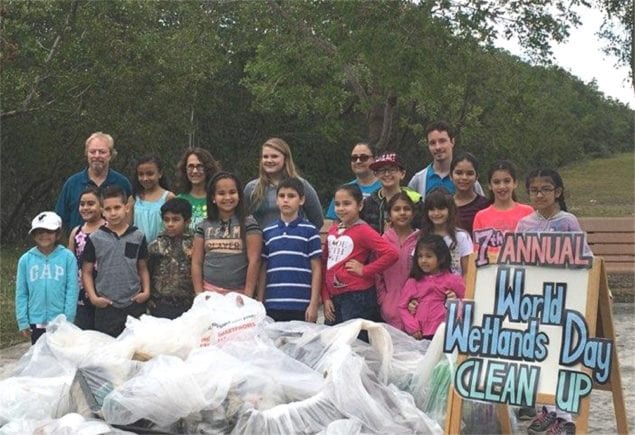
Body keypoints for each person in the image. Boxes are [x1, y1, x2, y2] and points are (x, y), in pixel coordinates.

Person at [515, 168, 585, 434]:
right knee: (538, 353)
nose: (540, 194)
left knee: (561, 355)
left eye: (545, 189)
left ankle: (564, 415)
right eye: (534, 190)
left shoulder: (568, 221)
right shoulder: (524, 224)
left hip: (563, 297)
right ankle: (546, 409)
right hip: (534, 301)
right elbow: (517, 259)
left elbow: (583, 257)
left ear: (558, 192)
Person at [322, 184, 399, 339]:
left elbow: (391, 253)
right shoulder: (333, 230)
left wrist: (365, 270)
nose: (341, 208)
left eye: (347, 203)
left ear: (360, 205)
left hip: (356, 296)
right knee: (330, 341)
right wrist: (325, 297)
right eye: (337, 204)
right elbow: (326, 263)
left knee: (355, 343)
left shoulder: (364, 230)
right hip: (334, 297)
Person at [81, 186, 150, 337]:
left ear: (126, 208)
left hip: (134, 303)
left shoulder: (138, 236)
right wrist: (93, 297)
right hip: (107, 305)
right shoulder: (95, 238)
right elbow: (86, 271)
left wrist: (146, 292)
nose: (113, 213)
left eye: (117, 207)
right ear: (102, 211)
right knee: (108, 351)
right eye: (108, 209)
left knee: (136, 349)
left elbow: (142, 267)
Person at [258, 177, 322, 322]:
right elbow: (263, 268)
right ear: (276, 200)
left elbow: (316, 268)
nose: (286, 200)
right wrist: (260, 302)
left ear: (301, 200)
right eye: (282, 196)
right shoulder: (268, 232)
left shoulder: (310, 231)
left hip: (301, 305)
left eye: (291, 196)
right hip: (273, 303)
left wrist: (313, 304)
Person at [192, 172, 262, 297]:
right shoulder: (203, 225)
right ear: (213, 197)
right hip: (209, 292)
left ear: (239, 195)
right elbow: (196, 262)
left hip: (239, 293)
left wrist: (248, 295)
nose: (228, 197)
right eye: (221, 193)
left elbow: (255, 260)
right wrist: (199, 295)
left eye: (232, 192)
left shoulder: (249, 223)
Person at [15, 212, 79, 344]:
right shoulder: (26, 260)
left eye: (49, 231)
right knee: (39, 357)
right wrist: (22, 320)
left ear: (58, 233)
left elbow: (72, 289)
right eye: (39, 232)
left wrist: (68, 318)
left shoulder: (67, 258)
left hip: (60, 320)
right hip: (36, 320)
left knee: (60, 357)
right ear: (33, 235)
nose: (44, 235)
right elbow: (21, 292)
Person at [55, 132, 132, 231]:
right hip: (78, 244)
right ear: (86, 154)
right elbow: (59, 219)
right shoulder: (72, 183)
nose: (97, 156)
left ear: (111, 155)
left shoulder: (122, 183)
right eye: (92, 151)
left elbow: (129, 217)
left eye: (102, 152)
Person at [244, 137, 324, 230]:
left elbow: (317, 220)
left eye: (274, 156)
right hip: (262, 242)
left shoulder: (301, 185)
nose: (269, 160)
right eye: (265, 157)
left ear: (285, 158)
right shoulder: (252, 188)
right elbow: (243, 218)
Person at [398, 234, 465, 340]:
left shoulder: (453, 280)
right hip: (420, 333)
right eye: (420, 256)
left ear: (441, 258)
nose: (423, 260)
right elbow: (402, 307)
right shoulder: (413, 282)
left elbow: (467, 300)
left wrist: (455, 305)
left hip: (446, 332)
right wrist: (413, 327)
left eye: (428, 256)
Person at [375, 192, 420, 329]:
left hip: (416, 307)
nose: (402, 213)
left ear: (413, 214)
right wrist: (384, 299)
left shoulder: (421, 240)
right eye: (397, 209)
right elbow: (377, 274)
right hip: (389, 308)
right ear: (389, 215)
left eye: (406, 209)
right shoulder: (382, 241)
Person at [408, 121, 483, 199]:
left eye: (442, 141)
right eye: (432, 143)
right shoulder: (418, 180)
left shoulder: (468, 180)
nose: (438, 147)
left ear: (452, 142)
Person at [147, 198, 195, 319]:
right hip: (160, 303)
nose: (170, 224)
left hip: (189, 304)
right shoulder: (155, 246)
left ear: (187, 221)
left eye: (176, 219)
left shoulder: (196, 244)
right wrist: (148, 298)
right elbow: (146, 272)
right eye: (166, 220)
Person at [472, 160, 533, 254]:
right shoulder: (481, 216)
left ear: (515, 183)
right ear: (489, 185)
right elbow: (477, 252)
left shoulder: (528, 212)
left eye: (507, 181)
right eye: (496, 182)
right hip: (491, 268)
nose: (502, 186)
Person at [68, 187, 105, 330]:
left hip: (104, 289)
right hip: (81, 291)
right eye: (82, 204)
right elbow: (70, 264)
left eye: (91, 203)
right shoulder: (76, 232)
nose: (85, 207)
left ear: (101, 206)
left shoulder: (109, 230)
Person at [360, 152, 424, 234]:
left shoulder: (414, 202)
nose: (387, 174)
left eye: (392, 170)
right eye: (382, 170)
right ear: (376, 174)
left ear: (402, 174)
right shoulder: (368, 203)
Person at [420, 188, 473, 277]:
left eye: (441, 208)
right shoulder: (422, 236)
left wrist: (459, 290)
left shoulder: (461, 237)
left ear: (450, 210)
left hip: (455, 288)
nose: (436, 213)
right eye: (432, 209)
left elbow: (467, 272)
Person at [325, 142, 382, 220]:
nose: (358, 161)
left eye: (364, 157)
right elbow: (333, 222)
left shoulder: (385, 188)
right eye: (354, 158)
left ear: (375, 159)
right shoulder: (344, 190)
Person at [130, 155, 175, 243]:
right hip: (138, 250)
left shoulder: (168, 197)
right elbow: (127, 226)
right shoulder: (134, 198)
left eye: (150, 174)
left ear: (160, 173)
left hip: (161, 250)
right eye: (141, 174)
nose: (145, 178)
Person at [176, 147, 222, 234]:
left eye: (199, 166)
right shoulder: (178, 201)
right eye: (190, 166)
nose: (195, 171)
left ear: (208, 168)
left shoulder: (218, 199)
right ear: (184, 170)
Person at [450, 152, 490, 235]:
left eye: (469, 173)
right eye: (459, 173)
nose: (464, 177)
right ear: (451, 175)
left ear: (477, 177)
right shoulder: (445, 204)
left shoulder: (486, 205)